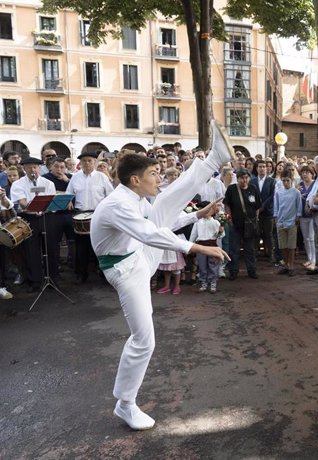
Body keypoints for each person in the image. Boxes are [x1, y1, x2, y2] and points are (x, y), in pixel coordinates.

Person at [91, 121, 230, 430]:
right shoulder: (117, 205)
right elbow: (152, 234)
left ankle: (212, 160)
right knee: (144, 341)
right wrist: (200, 248)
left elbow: (161, 221)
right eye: (154, 174)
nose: (159, 177)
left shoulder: (134, 198)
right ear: (135, 179)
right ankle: (125, 404)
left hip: (137, 255)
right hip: (126, 271)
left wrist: (197, 214)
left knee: (165, 203)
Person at [10, 157, 58, 292]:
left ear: (39, 168)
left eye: (35, 167)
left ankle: (53, 278)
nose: (33, 170)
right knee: (32, 250)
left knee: (51, 248)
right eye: (30, 167)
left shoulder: (48, 183)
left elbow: (52, 199)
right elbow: (22, 202)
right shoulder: (18, 184)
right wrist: (33, 208)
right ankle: (35, 280)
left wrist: (42, 209)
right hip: (29, 218)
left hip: (46, 217)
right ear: (24, 169)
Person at [66, 152, 115, 283]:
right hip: (80, 214)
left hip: (98, 215)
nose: (87, 163)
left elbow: (110, 196)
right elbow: (68, 193)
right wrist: (69, 200)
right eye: (84, 161)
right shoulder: (75, 177)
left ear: (95, 162)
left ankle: (105, 274)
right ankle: (81, 274)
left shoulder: (102, 177)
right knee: (81, 247)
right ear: (80, 164)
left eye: (89, 161)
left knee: (101, 246)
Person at [223, 168, 261, 279]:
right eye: (241, 178)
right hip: (235, 224)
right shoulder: (231, 189)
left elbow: (257, 206)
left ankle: (252, 270)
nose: (244, 180)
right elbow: (227, 205)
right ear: (237, 178)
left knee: (250, 249)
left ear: (249, 178)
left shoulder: (253, 189)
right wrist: (229, 218)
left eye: (246, 178)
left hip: (250, 225)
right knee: (234, 249)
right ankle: (233, 271)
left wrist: (256, 219)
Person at [190, 201, 224, 293]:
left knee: (213, 265)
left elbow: (220, 235)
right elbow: (193, 235)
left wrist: (221, 230)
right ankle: (204, 282)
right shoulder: (198, 223)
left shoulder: (216, 222)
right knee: (202, 265)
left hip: (212, 246)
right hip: (200, 246)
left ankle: (213, 282)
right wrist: (190, 245)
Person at [274, 171, 302, 276]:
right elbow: (276, 206)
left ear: (292, 181)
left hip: (292, 222)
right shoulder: (278, 192)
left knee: (291, 246)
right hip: (281, 221)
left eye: (287, 180)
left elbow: (299, 206)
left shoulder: (296, 192)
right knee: (283, 246)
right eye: (284, 180)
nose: (285, 183)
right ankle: (285, 265)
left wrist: (297, 218)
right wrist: (276, 218)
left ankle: (291, 266)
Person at [250, 160, 276, 260]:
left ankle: (270, 254)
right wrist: (256, 207)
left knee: (268, 234)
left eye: (264, 167)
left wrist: (262, 207)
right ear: (256, 168)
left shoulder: (272, 181)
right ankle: (255, 253)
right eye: (260, 167)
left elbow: (272, 196)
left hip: (268, 212)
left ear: (267, 168)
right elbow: (250, 195)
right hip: (255, 212)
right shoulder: (252, 181)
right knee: (256, 233)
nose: (262, 169)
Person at [298, 164, 317, 271]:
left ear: (312, 174)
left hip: (312, 215)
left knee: (312, 238)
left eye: (307, 172)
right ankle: (309, 259)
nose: (305, 174)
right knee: (306, 238)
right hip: (302, 215)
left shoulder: (315, 184)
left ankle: (314, 260)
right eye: (303, 173)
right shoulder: (299, 185)